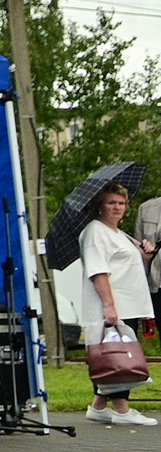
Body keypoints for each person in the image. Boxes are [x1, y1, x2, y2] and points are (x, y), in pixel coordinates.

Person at [78, 181, 156, 426]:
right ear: (100, 205)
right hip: (113, 306)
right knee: (119, 359)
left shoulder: (118, 233)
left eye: (121, 203)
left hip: (128, 304)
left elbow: (127, 263)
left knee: (116, 358)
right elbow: (98, 270)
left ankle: (98, 408)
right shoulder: (95, 231)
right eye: (111, 202)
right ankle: (123, 411)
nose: (117, 207)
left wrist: (144, 253)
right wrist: (109, 306)